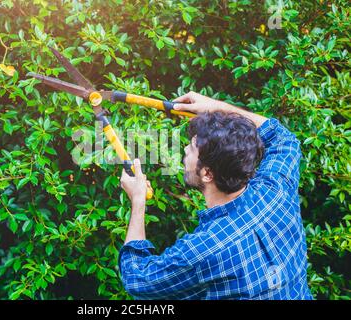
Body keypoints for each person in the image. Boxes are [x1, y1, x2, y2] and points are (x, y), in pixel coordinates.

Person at [118, 91, 313, 300]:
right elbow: (282, 138)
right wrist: (217, 106)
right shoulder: (276, 191)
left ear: (208, 173)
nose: (184, 149)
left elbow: (137, 279)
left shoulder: (203, 251)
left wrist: (138, 201)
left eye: (192, 149)